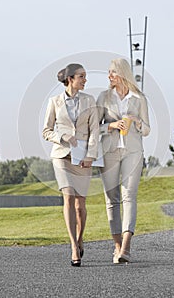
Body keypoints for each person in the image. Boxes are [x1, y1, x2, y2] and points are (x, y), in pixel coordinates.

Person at [43, 63, 99, 267]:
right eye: (81, 76)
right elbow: (46, 130)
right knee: (68, 196)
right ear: (70, 79)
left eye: (85, 76)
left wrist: (91, 156)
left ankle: (80, 237)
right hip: (61, 156)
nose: (85, 80)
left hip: (83, 158)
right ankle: (73, 246)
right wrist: (62, 137)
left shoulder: (90, 101)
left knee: (80, 204)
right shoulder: (54, 102)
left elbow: (95, 131)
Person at [96, 58, 150, 264]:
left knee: (129, 196)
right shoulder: (103, 97)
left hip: (133, 151)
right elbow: (95, 127)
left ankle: (126, 246)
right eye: (109, 72)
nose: (109, 76)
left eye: (113, 72)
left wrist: (136, 121)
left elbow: (147, 130)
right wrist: (111, 126)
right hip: (109, 151)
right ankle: (116, 245)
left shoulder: (139, 98)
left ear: (122, 74)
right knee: (112, 199)